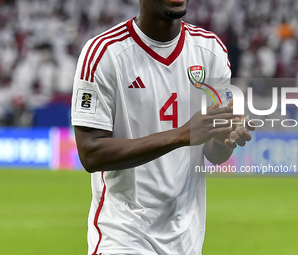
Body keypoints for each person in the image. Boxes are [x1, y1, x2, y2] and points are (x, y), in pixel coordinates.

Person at [71, 0, 254, 254]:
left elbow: (213, 153)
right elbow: (91, 153)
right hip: (123, 234)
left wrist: (225, 139)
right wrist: (181, 135)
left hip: (186, 238)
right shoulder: (104, 53)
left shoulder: (211, 50)